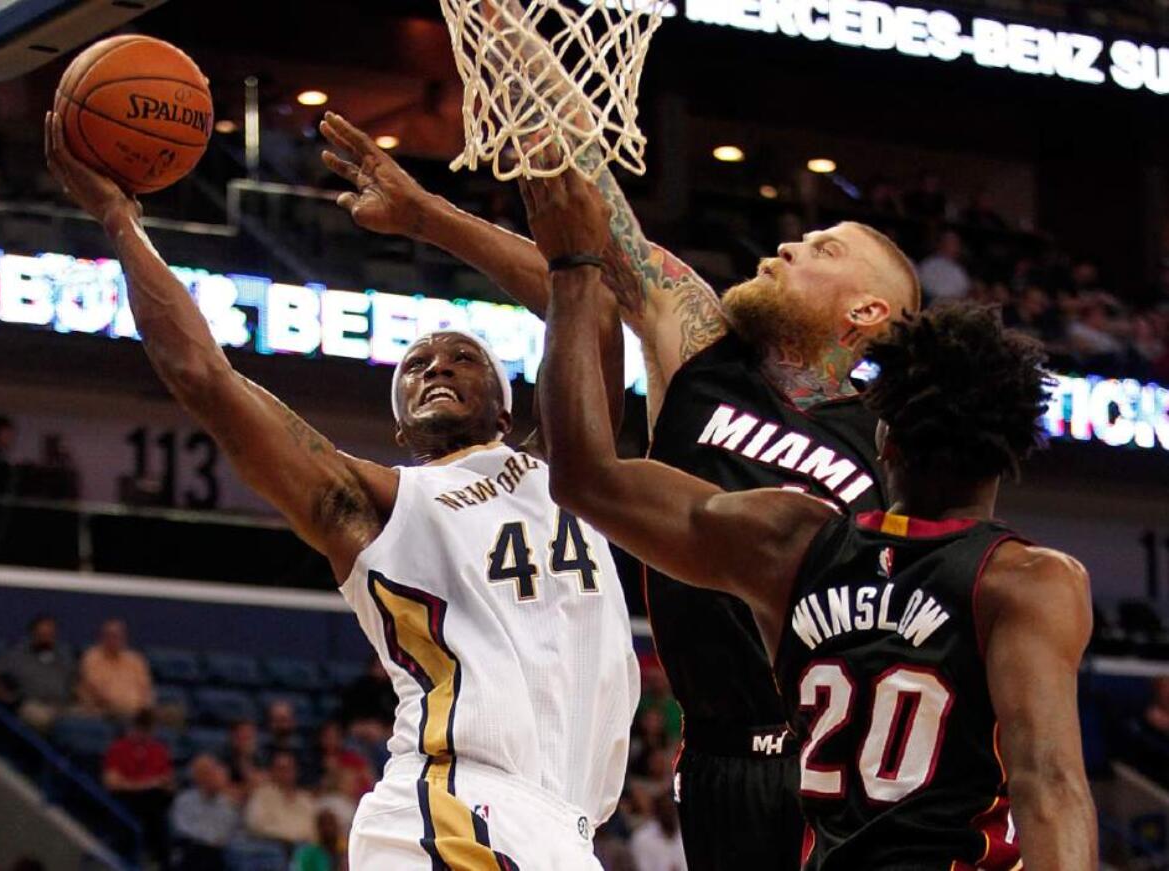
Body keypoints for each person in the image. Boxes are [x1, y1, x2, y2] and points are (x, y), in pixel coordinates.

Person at [321, 111, 918, 870]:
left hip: (848, 754)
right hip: (722, 756)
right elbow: (597, 243)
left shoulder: (895, 437)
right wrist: (431, 203)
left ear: (867, 312)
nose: (791, 243)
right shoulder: (701, 354)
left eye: (824, 248)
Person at [46, 110, 638, 870]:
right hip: (456, 803)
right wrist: (118, 220)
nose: (436, 367)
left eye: (461, 357)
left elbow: (585, 311)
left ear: (509, 402)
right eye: (417, 367)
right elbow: (208, 380)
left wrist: (428, 217)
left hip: (563, 825)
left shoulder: (572, 467)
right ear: (398, 428)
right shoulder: (378, 504)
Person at [526, 175, 1095, 868]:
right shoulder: (1027, 582)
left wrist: (574, 272)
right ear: (1008, 455)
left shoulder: (794, 544)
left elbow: (583, 475)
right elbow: (1051, 785)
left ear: (883, 438)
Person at [0, 614, 77, 732]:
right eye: (42, 634)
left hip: (63, 706)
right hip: (33, 705)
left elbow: (75, 679)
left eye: (50, 634)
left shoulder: (64, 655)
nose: (47, 638)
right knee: (47, 720)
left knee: (92, 718)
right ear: (33, 634)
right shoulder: (17, 655)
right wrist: (4, 696)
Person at [103, 708, 175, 865]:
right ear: (133, 727)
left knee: (159, 807)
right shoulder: (118, 748)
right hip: (127, 799)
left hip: (155, 801)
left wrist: (158, 785)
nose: (144, 733)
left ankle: (161, 859)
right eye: (141, 728)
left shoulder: (159, 750)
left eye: (148, 729)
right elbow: (112, 783)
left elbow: (168, 783)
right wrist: (143, 785)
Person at [170, 754, 240, 870]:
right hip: (193, 848)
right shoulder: (184, 800)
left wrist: (219, 841)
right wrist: (210, 840)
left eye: (218, 775)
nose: (215, 779)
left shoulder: (228, 803)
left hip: (222, 850)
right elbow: (181, 828)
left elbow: (231, 829)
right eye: (209, 774)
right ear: (199, 777)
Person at [78, 618, 153, 720]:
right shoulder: (92, 658)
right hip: (105, 710)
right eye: (110, 636)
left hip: (138, 712)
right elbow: (96, 691)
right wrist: (122, 705)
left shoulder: (135, 660)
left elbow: (146, 689)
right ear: (102, 638)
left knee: (173, 713)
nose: (114, 640)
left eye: (118, 636)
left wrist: (145, 708)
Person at [245, 752, 318, 847]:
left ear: (295, 771)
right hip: (273, 848)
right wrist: (288, 836)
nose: (285, 773)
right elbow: (254, 825)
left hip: (305, 849)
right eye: (280, 769)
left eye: (289, 768)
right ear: (272, 771)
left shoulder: (306, 799)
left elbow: (315, 830)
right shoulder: (261, 795)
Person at [630, 796, 687, 871]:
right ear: (657, 813)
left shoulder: (687, 835)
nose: (669, 814)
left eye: (671, 810)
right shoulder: (642, 838)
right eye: (665, 811)